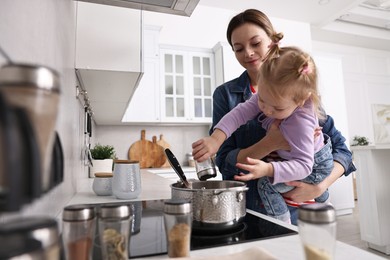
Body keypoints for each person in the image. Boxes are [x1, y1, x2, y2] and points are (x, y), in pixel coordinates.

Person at [192, 9, 356, 224]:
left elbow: (342, 151)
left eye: (256, 43)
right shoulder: (227, 94)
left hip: (304, 210)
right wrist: (270, 143)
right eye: (238, 48)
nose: (248, 53)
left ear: (272, 40)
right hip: (252, 209)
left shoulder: (302, 95)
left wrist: (319, 186)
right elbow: (225, 163)